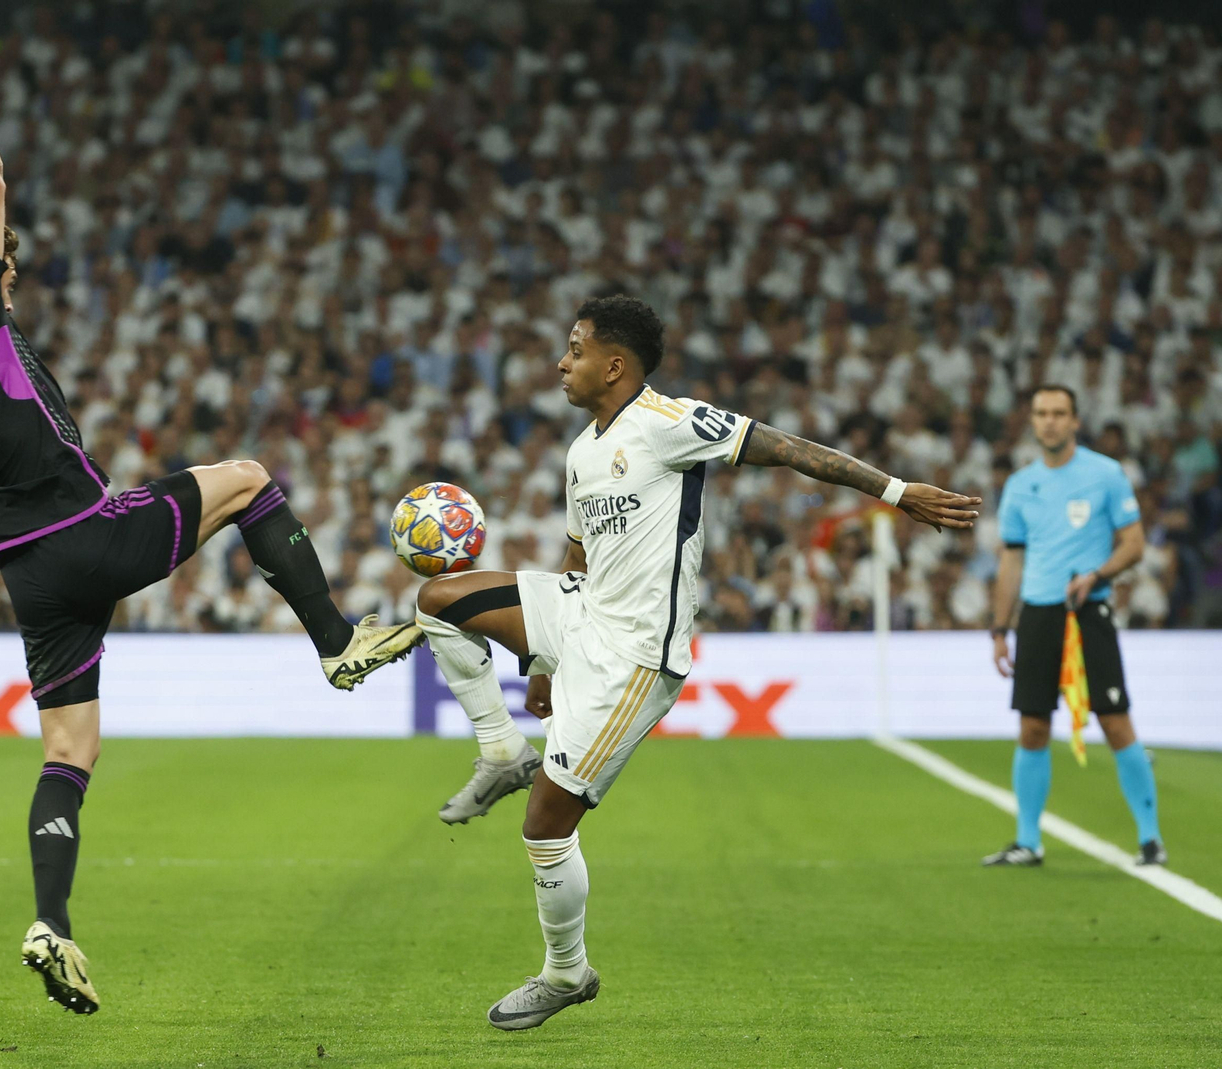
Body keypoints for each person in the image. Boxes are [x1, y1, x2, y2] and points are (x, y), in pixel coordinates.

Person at [0, 67, 422, 1016]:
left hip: (29, 572)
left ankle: (52, 922)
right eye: (4, 267)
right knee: (249, 476)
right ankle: (338, 643)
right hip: (84, 530)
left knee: (70, 751)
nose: (13, 277)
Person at [413, 295, 979, 1030]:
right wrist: (545, 659)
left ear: (614, 363)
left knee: (545, 824)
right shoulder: (583, 448)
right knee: (437, 597)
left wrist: (897, 492)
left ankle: (565, 972)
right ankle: (499, 747)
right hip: (579, 615)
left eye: (575, 349)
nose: (562, 361)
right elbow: (578, 552)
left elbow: (781, 445)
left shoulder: (669, 424)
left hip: (635, 654)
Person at [985, 385, 1163, 868]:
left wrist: (1097, 575)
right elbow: (1011, 563)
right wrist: (1000, 629)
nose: (1049, 422)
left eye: (1059, 413)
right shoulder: (1021, 485)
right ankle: (1028, 841)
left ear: (1075, 421)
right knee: (1033, 725)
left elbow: (1134, 543)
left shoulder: (1105, 474)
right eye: (1041, 413)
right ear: (1033, 421)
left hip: (1088, 609)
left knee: (1115, 720)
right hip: (1039, 615)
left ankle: (1150, 839)